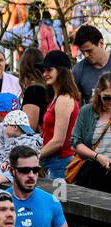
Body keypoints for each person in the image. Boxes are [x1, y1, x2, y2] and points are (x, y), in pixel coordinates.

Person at [38, 50, 80, 179]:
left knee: (57, 199)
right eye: (43, 70)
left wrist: (33, 157)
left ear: (61, 71)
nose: (45, 74)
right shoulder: (56, 97)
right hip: (52, 162)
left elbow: (58, 141)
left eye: (49, 70)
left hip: (60, 164)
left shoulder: (64, 99)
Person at [71, 72, 111, 191]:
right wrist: (97, 157)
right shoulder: (87, 111)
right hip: (91, 173)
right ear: (98, 93)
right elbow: (75, 142)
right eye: (107, 97)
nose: (110, 101)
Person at [72, 25, 109, 101]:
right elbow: (77, 106)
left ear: (101, 43)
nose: (86, 55)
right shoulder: (78, 71)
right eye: (82, 52)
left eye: (89, 50)